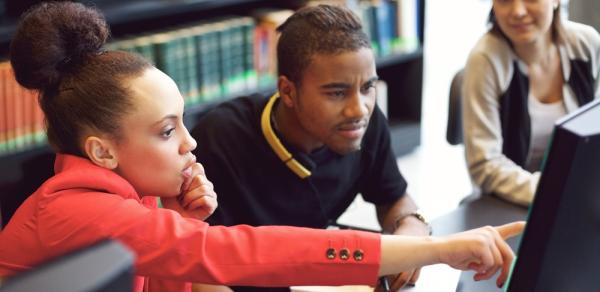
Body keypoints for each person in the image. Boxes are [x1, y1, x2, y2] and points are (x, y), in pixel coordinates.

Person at [0, 2, 524, 292]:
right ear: (102, 152)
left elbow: (176, 278)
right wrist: (438, 251)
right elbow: (239, 252)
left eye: (182, 123)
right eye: (166, 131)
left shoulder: (122, 197)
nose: (190, 142)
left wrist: (183, 221)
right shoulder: (77, 210)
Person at [192, 5, 428, 291]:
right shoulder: (220, 138)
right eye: (337, 93)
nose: (359, 108)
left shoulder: (366, 122)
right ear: (288, 91)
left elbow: (393, 196)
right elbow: (197, 265)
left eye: (368, 87)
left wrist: (412, 228)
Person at [462, 0, 600, 206]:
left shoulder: (586, 43)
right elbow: (485, 165)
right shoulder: (485, 60)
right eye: (504, 1)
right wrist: (556, 191)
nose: (518, 11)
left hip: (580, 194)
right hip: (513, 202)